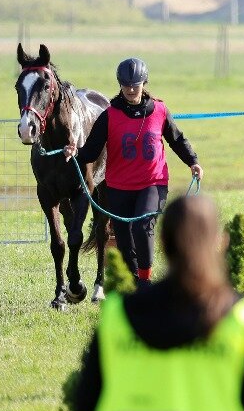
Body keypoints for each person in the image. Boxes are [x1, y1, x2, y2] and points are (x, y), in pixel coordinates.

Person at [71, 194, 244, 411]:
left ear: (162, 242)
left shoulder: (116, 315)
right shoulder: (239, 319)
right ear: (220, 243)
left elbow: (85, 402)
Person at [65, 57, 203, 283]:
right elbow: (90, 151)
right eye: (126, 84)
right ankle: (133, 280)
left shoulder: (159, 110)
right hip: (119, 187)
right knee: (124, 238)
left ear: (144, 83)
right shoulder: (109, 115)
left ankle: (145, 281)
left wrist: (193, 161)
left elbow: (176, 139)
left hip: (153, 183)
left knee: (141, 227)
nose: (130, 89)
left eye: (135, 84)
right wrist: (74, 153)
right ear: (120, 84)